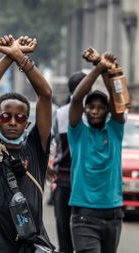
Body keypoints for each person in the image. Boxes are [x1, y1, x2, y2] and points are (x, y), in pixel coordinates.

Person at [0, 35, 54, 252]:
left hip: (31, 245)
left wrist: (21, 58)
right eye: (5, 116)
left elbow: (45, 94)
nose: (12, 122)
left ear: (27, 123)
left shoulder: (36, 148)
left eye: (19, 118)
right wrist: (8, 57)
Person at [68, 48, 125, 253]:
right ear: (85, 110)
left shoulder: (115, 131)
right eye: (91, 107)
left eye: (100, 107)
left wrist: (105, 70)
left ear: (107, 111)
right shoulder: (78, 133)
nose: (95, 111)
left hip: (113, 215)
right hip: (84, 216)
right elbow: (76, 99)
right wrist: (99, 67)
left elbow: (119, 102)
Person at [50, 71, 86, 253]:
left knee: (65, 238)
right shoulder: (95, 112)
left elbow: (54, 144)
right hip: (84, 183)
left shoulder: (60, 114)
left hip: (63, 182)